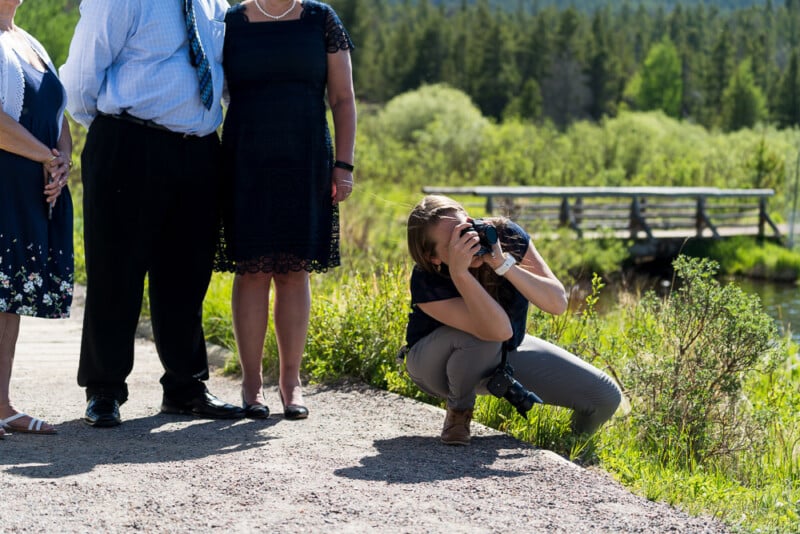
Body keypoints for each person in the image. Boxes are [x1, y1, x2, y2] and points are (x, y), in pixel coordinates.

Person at [60, 0, 244, 427]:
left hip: (199, 149)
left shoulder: (216, 2)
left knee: (187, 274)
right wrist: (117, 129)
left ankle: (186, 386)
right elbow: (81, 76)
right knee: (115, 271)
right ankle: (104, 390)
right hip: (130, 140)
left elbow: (222, 74)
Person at [214, 0, 356, 420]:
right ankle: (251, 383)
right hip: (246, 160)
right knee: (252, 269)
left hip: (306, 159)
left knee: (294, 269)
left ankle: (291, 383)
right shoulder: (231, 21)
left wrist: (343, 166)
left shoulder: (321, 19)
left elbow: (343, 99)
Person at [402, 195, 622, 445]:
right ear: (434, 258)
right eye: (454, 242)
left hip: (498, 351)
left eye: (465, 229)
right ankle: (459, 412)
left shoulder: (505, 236)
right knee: (483, 336)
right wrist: (461, 274)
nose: (469, 242)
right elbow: (497, 330)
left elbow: (557, 303)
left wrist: (502, 263)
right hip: (433, 364)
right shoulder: (426, 278)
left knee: (604, 396)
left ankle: (570, 449)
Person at [0, 0, 73, 437]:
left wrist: (62, 159)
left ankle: (2, 405)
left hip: (30, 182)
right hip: (5, 178)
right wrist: (46, 156)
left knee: (7, 299)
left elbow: (57, 115)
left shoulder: (28, 42)